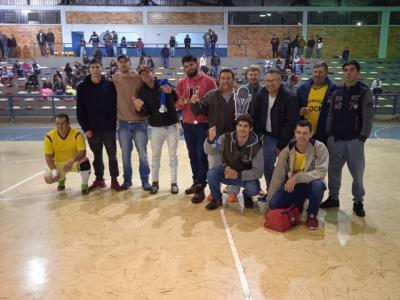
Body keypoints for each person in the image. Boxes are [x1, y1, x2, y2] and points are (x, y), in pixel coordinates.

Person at [322, 60, 374, 217]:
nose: (348, 73)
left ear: (357, 73)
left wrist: (363, 137)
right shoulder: (336, 92)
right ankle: (333, 197)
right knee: (333, 171)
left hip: (354, 140)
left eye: (352, 70)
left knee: (357, 173)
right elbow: (330, 115)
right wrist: (329, 133)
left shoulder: (364, 92)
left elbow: (368, 116)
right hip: (336, 140)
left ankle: (358, 201)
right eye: (345, 70)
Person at [266, 120, 329, 229]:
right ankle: (297, 205)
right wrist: (268, 201)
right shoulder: (286, 152)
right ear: (295, 133)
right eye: (299, 132)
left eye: (305, 133)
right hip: (294, 186)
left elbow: (321, 171)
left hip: (311, 185)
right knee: (274, 205)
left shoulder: (319, 147)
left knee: (317, 186)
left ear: (311, 133)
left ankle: (312, 215)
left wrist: (297, 178)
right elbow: (277, 177)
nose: (302, 136)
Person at [191, 68, 237, 202]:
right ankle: (214, 191)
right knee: (214, 167)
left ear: (233, 80)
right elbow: (199, 110)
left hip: (233, 140)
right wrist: (194, 103)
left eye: (229, 78)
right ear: (219, 80)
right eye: (223, 78)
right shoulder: (211, 95)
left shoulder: (239, 96)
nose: (226, 81)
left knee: (233, 166)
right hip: (215, 139)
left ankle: (233, 191)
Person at [250, 69, 299, 196]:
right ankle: (271, 193)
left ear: (280, 81)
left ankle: (288, 194)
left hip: (286, 139)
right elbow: (255, 115)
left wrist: (281, 145)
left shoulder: (290, 96)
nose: (270, 83)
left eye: (273, 80)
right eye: (267, 81)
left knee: (287, 168)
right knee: (268, 167)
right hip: (268, 137)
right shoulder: (262, 94)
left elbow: (291, 123)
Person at [175, 55, 217, 203]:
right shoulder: (181, 83)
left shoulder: (209, 81)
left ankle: (201, 187)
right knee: (192, 154)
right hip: (187, 124)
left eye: (191, 65)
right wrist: (182, 102)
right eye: (186, 66)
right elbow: (178, 105)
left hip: (203, 124)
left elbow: (215, 102)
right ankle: (196, 181)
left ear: (197, 64)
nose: (189, 68)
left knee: (201, 155)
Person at [76, 59, 121, 192]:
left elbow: (116, 105)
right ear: (89, 69)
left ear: (101, 69)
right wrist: (86, 128)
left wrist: (114, 122)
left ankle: (114, 179)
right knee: (97, 156)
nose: (95, 69)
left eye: (98, 67)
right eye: (93, 67)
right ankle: (99, 179)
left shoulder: (110, 85)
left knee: (112, 155)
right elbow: (80, 110)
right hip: (92, 130)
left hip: (109, 128)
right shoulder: (82, 87)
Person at [134, 65, 179, 194]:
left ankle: (174, 183)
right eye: (142, 74)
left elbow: (175, 99)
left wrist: (170, 93)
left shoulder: (164, 83)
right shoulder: (142, 91)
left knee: (173, 156)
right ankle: (155, 182)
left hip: (171, 125)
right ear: (140, 77)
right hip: (156, 128)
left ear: (152, 73)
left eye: (147, 72)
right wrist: (138, 108)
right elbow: (145, 112)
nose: (145, 75)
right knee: (155, 156)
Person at [204, 114, 263, 210]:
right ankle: (217, 199)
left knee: (254, 189)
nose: (242, 129)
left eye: (245, 126)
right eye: (239, 125)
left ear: (251, 128)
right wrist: (210, 141)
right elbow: (212, 151)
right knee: (211, 174)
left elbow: (258, 172)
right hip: (228, 172)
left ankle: (247, 196)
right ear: (236, 126)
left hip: (244, 177)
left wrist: (238, 175)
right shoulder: (225, 138)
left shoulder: (257, 146)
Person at [112, 54, 151, 191]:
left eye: (125, 62)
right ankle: (127, 180)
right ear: (117, 64)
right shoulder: (114, 78)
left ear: (129, 62)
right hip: (122, 123)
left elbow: (149, 87)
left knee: (142, 153)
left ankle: (145, 180)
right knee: (125, 155)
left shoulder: (137, 77)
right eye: (120, 62)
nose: (123, 64)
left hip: (139, 122)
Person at [43, 114, 91, 195]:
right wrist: (54, 171)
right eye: (57, 124)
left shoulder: (77, 134)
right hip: (57, 164)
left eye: (63, 123)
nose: (60, 126)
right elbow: (48, 157)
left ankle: (84, 185)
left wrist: (72, 160)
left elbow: (82, 152)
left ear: (68, 123)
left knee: (85, 163)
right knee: (48, 179)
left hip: (73, 162)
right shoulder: (49, 137)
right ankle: (61, 180)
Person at [297, 62, 336, 144]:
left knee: (321, 156)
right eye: (315, 72)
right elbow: (295, 109)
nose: (317, 74)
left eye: (320, 72)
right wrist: (300, 111)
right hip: (305, 133)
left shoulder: (333, 90)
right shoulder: (302, 89)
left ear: (326, 73)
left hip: (324, 134)